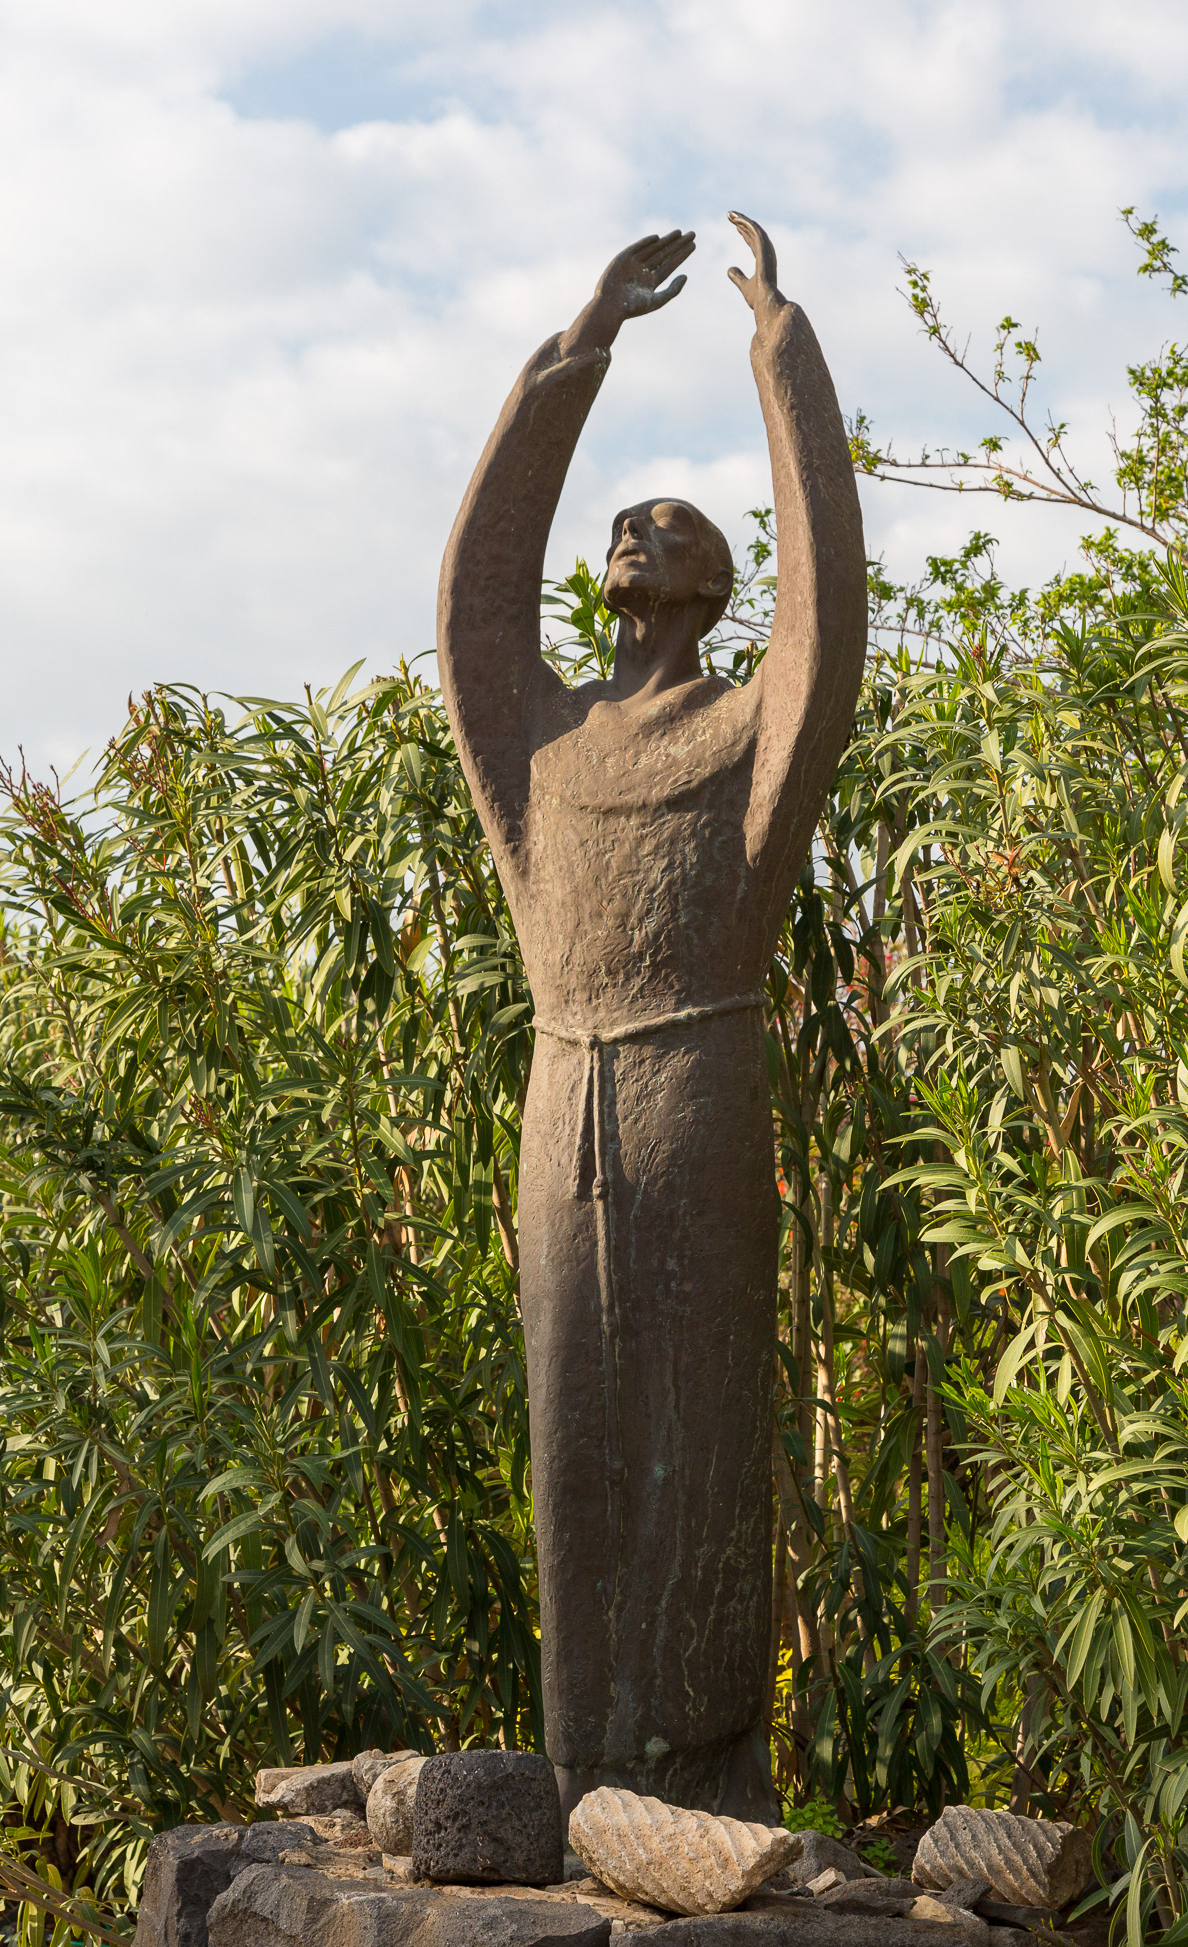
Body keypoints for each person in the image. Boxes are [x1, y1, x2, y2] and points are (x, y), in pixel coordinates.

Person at [437, 215, 866, 1821]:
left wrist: (782, 362)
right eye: (626, 522)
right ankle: (584, 1768)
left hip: (696, 1085)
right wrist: (582, 345)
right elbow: (478, 600)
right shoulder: (539, 748)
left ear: (712, 584)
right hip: (567, 1098)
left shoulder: (750, 737)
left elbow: (829, 615)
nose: (635, 529)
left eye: (668, 523)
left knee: (700, 1417)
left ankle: (703, 1768)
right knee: (577, 1436)